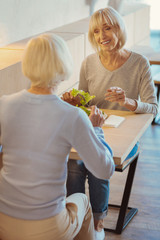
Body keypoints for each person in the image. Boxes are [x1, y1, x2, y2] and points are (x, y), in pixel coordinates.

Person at [0, 33, 115, 240]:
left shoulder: (4, 104)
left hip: (4, 220)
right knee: (83, 201)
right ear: (63, 65)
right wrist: (96, 129)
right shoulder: (73, 115)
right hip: (47, 226)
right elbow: (104, 169)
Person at [62, 6, 158, 240]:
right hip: (93, 130)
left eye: (107, 28)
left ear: (119, 29)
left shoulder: (139, 63)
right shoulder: (88, 63)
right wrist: (75, 101)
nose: (102, 36)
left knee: (97, 163)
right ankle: (76, 218)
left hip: (125, 139)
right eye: (96, 31)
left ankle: (97, 221)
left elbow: (153, 109)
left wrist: (127, 102)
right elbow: (85, 102)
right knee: (75, 163)